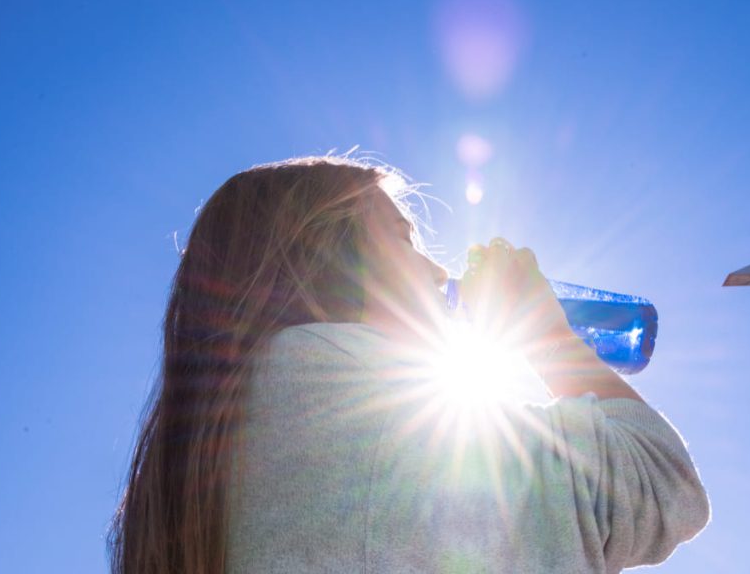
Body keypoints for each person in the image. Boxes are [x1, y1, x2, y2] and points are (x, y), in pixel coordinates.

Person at [108, 156, 710, 574]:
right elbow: (658, 486)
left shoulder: (235, 430)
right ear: (325, 253)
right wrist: (543, 332)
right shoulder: (332, 380)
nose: (438, 270)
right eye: (405, 238)